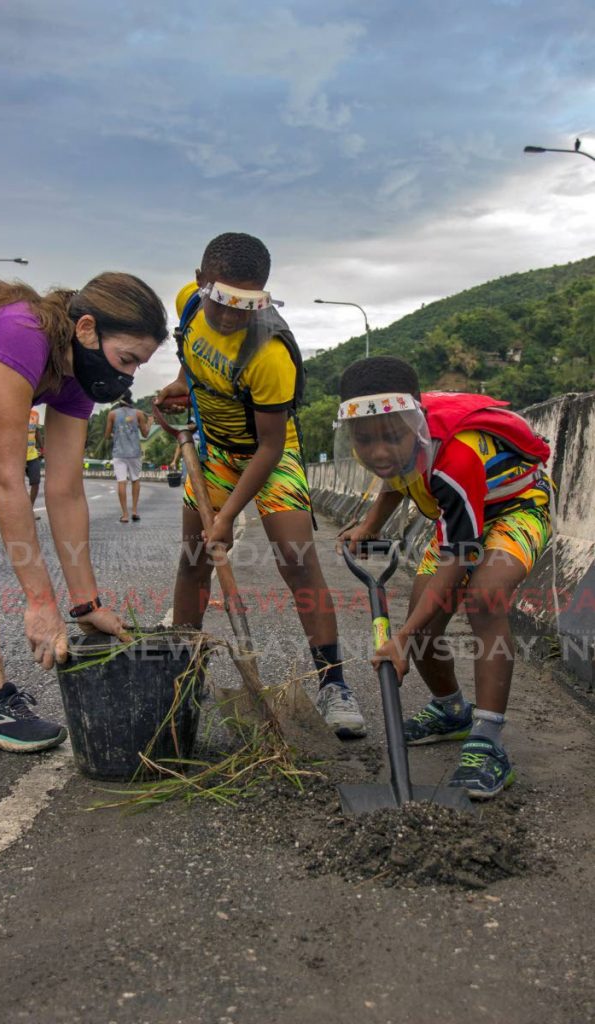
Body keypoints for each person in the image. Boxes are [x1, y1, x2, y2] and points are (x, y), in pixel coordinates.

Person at [0, 271, 167, 753]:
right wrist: (40, 602)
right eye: (127, 359)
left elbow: (66, 490)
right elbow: (5, 475)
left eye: (139, 367)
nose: (129, 376)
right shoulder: (22, 333)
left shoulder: (77, 379)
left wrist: (86, 604)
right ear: (87, 329)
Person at [156, 232, 366, 737]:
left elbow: (270, 447)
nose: (231, 316)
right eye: (222, 301)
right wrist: (181, 387)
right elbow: (191, 357)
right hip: (212, 453)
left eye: (247, 305)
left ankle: (333, 682)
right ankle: (185, 673)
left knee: (297, 559)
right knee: (192, 561)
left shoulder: (270, 354)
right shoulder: (188, 305)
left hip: (268, 454)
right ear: (201, 281)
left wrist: (227, 517)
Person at [336, 356, 553, 798]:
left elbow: (461, 556)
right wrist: (370, 525)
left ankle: (487, 741)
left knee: (483, 599)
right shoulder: (401, 440)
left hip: (513, 507)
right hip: (459, 520)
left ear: (415, 425)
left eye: (393, 437)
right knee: (425, 624)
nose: (379, 452)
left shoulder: (455, 458)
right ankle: (452, 711)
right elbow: (397, 474)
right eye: (364, 440)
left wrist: (401, 636)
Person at [103, 390, 152, 522]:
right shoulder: (138, 414)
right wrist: (150, 422)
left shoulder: (112, 414)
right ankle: (134, 511)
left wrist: (116, 434)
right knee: (135, 480)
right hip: (134, 452)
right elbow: (146, 434)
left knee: (121, 482)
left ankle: (125, 514)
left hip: (119, 453)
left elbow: (106, 435)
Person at [26, 407, 44, 516]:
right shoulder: (14, 410)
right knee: (17, 485)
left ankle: (29, 509)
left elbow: (37, 432)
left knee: (36, 482)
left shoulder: (35, 414)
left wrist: (43, 448)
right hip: (17, 455)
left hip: (32, 454)